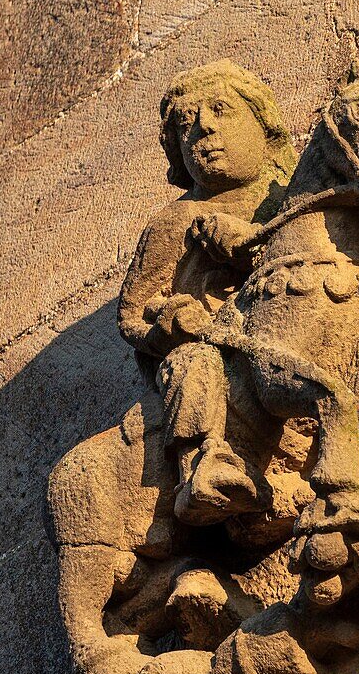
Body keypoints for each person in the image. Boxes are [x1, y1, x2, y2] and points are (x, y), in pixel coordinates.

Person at [117, 59, 294, 524]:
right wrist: (166, 329)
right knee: (193, 362)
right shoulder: (174, 221)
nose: (204, 130)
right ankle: (203, 463)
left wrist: (247, 247)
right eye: (185, 124)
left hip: (274, 323)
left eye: (221, 109)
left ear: (263, 122)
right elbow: (131, 315)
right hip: (214, 344)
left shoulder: (289, 199)